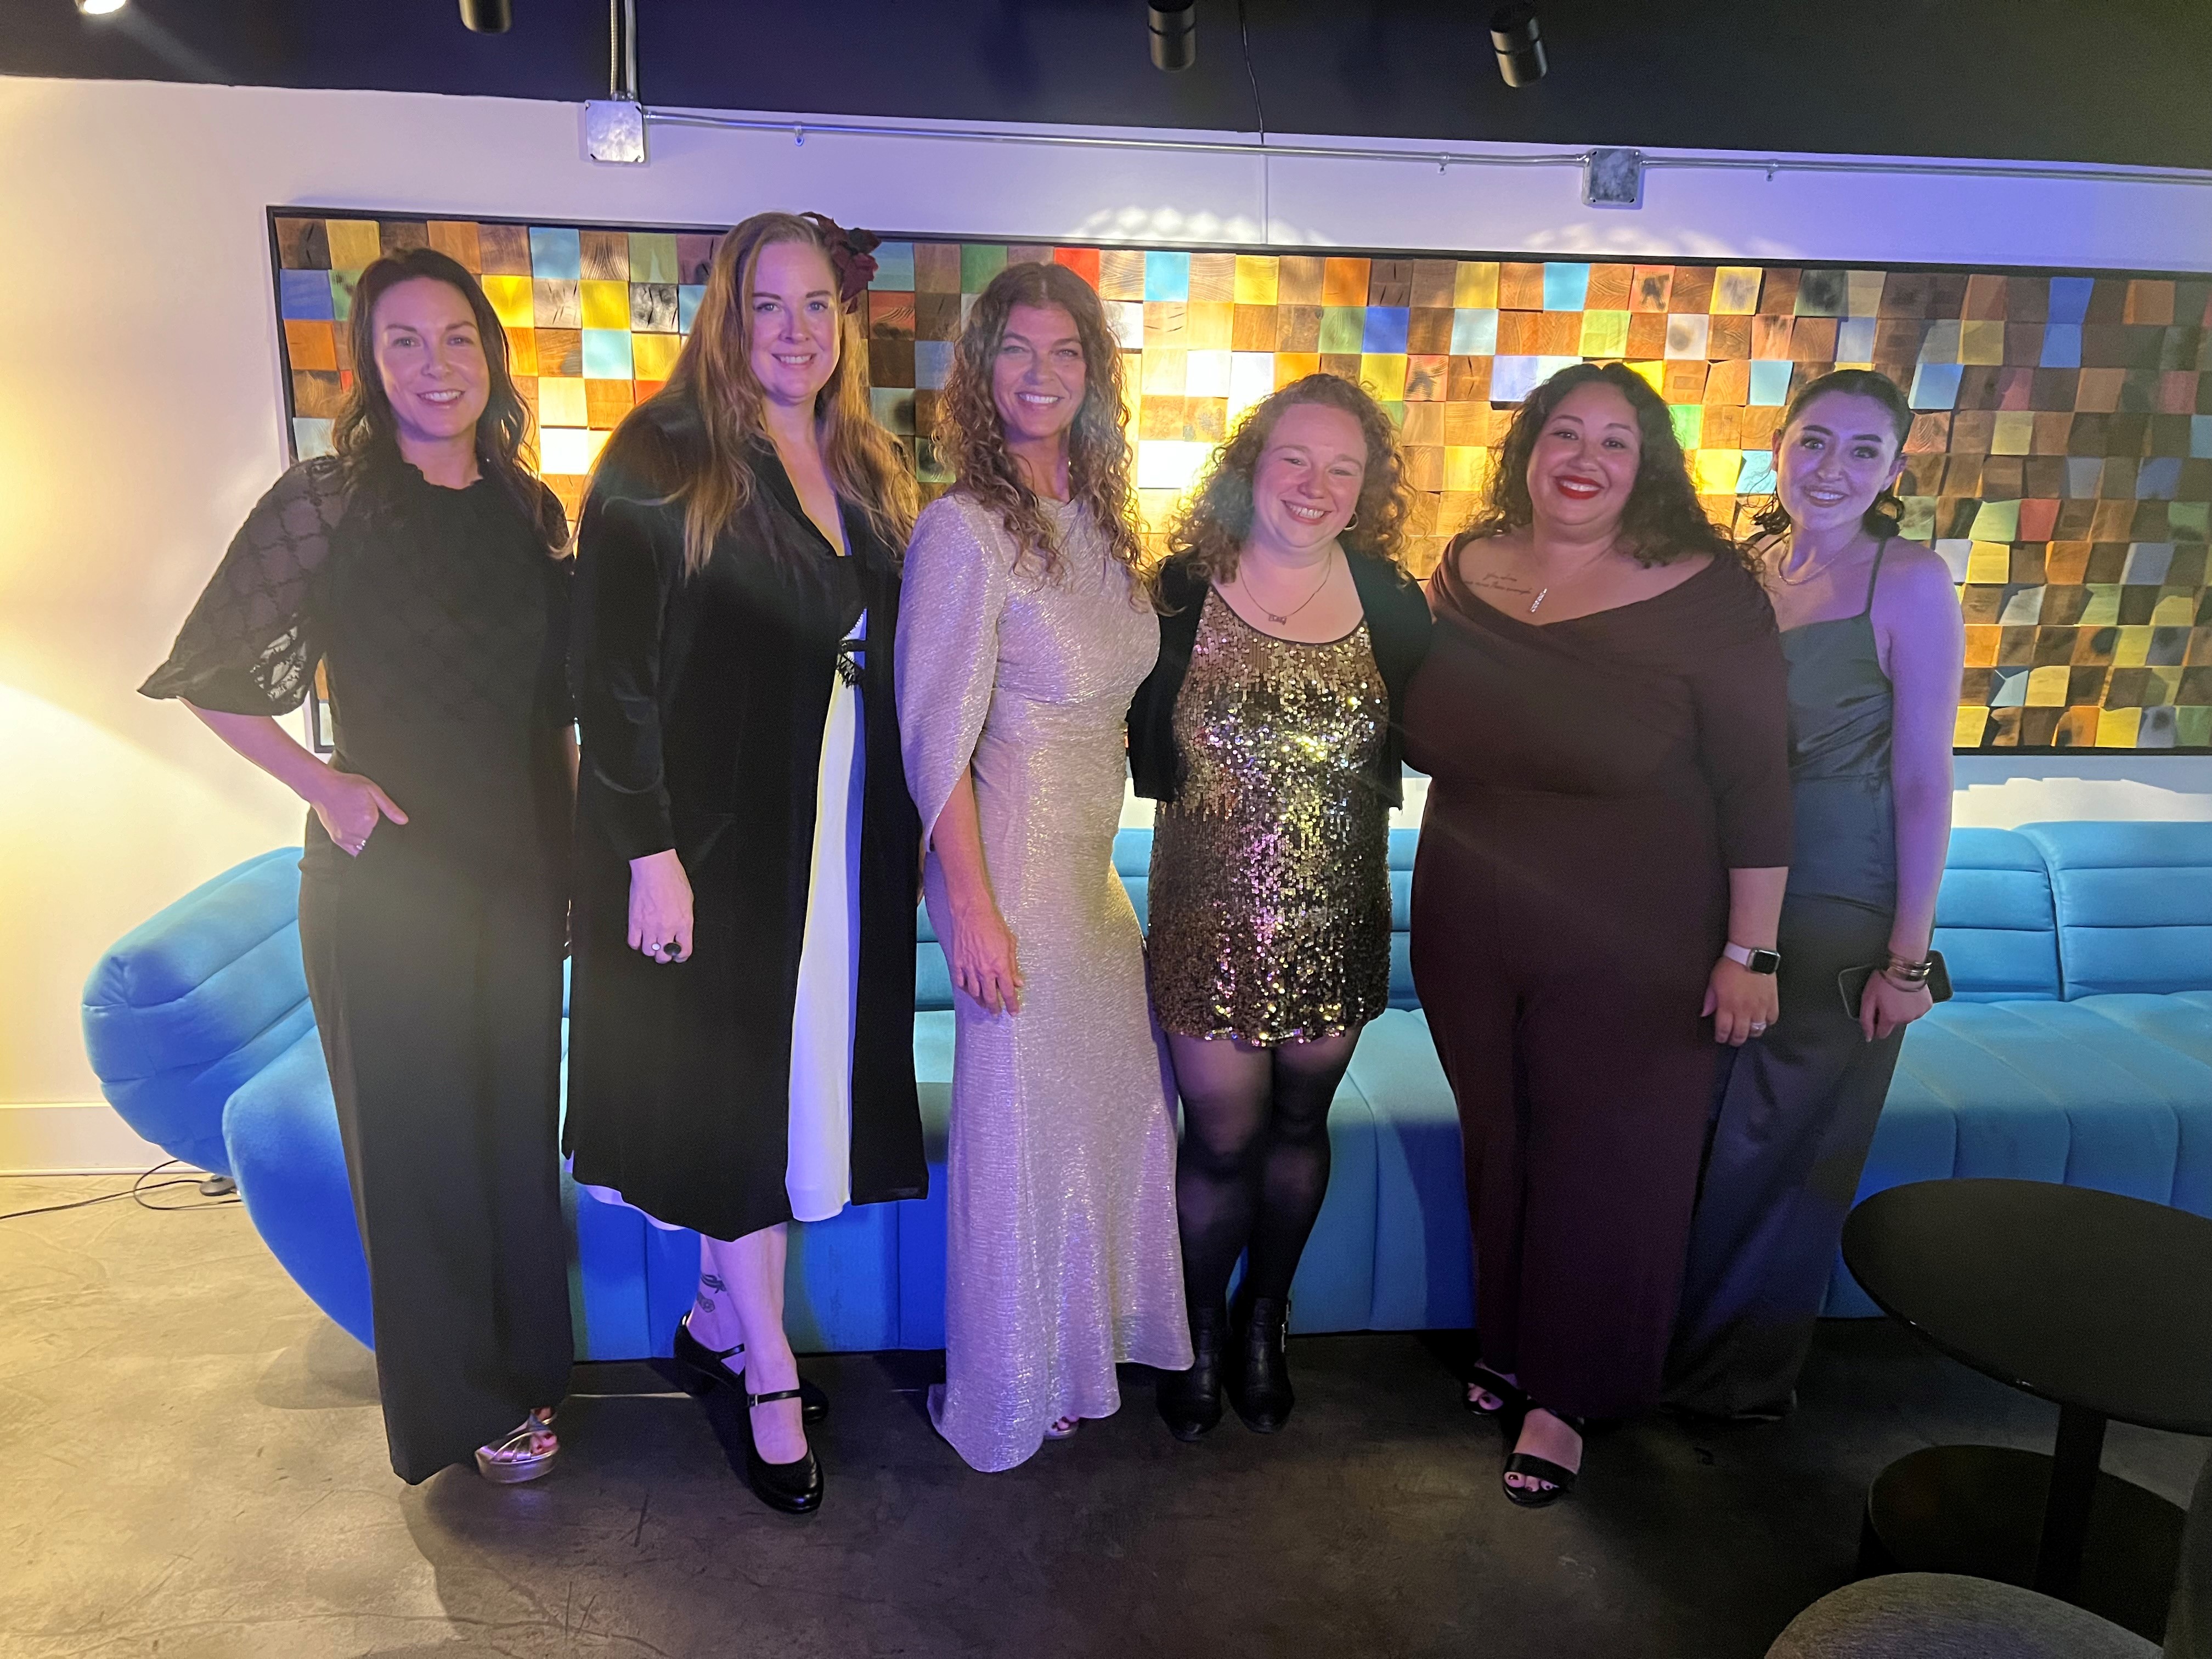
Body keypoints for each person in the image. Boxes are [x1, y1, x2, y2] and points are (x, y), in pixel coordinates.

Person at [141, 249, 575, 1485]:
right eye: (404, 342)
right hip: (386, 879)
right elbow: (209, 674)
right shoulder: (326, 502)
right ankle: (462, 1410)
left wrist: (574, 857)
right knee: (418, 1146)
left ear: (490, 355)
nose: (436, 365)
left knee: (509, 1136)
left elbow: (552, 713)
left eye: (457, 338)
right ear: (368, 366)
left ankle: (527, 1380)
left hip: (515, 873)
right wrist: (323, 787)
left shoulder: (528, 510)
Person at [565, 212, 925, 1515]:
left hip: (836, 834)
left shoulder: (868, 461)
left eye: (816, 305)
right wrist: (650, 856)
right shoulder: (662, 457)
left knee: (784, 1084)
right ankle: (768, 1369)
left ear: (845, 322)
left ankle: (719, 1316)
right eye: (767, 304)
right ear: (725, 314)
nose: (794, 330)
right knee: (735, 1101)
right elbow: (610, 681)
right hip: (711, 844)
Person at [1402, 362, 1793, 1508]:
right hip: (1468, 921)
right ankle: (1513, 1343)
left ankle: (1570, 1395)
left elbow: (1759, 781)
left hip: (1639, 930)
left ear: (1648, 465)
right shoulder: (1463, 570)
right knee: (1503, 1142)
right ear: (1527, 449)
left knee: (1607, 1163)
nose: (1585, 459)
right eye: (1563, 433)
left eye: (1615, 442)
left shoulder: (1707, 591)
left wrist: (1752, 950)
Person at [896, 259, 1190, 1472]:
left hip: (1093, 885)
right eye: (1016, 349)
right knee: (1018, 1140)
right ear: (981, 370)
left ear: (1094, 373)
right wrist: (970, 910)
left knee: (1094, 1125)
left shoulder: (1107, 521)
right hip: (1012, 880)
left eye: (1066, 351)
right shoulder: (964, 530)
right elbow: (934, 742)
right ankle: (1003, 1387)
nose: (1042, 373)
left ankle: (1073, 1362)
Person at [1128, 374, 1432, 1441]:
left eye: (1343, 468)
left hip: (1337, 919)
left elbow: (1450, 735)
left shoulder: (1394, 602)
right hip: (1204, 922)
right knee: (1219, 1142)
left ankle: (1268, 1319)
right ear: (1251, 465)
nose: (1315, 484)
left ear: (1367, 490)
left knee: (1302, 1127)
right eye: (1295, 458)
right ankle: (1199, 1331)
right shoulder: (1174, 591)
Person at [1667, 370, 1964, 1420]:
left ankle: (1729, 1384)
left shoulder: (1910, 581)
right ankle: (1652, 1352)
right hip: (1724, 898)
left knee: (1781, 1153)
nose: (1833, 469)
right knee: (1700, 1135)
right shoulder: (1743, 571)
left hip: (1842, 907)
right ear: (1779, 448)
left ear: (1894, 470)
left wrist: (1909, 960)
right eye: (1815, 442)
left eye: (1864, 451)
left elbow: (1924, 779)